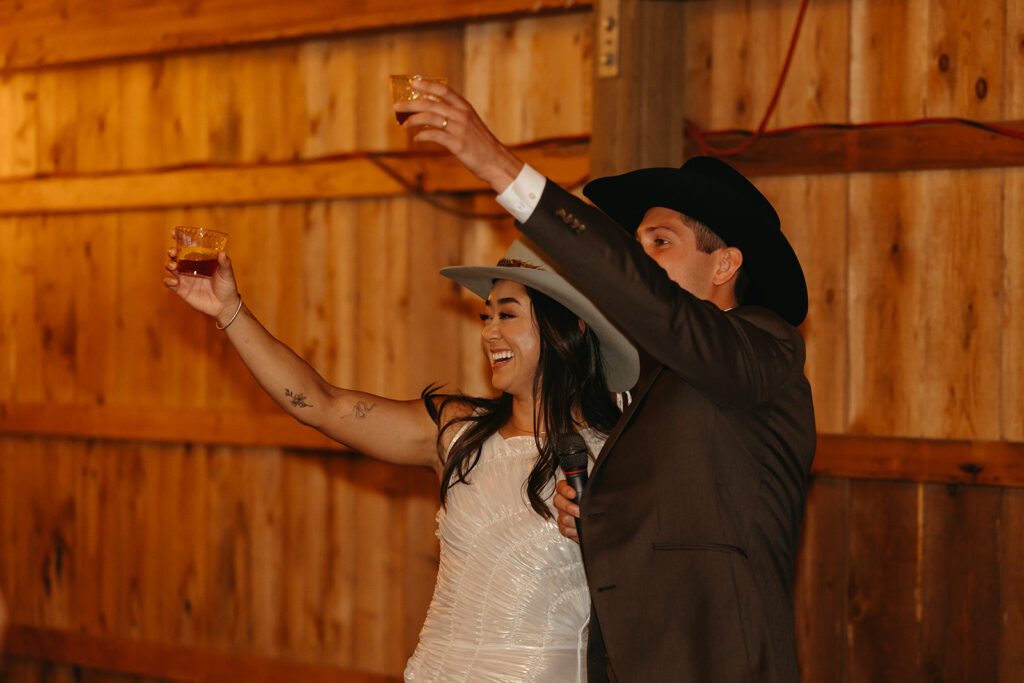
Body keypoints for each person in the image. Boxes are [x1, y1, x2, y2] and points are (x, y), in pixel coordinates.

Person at [396, 82, 816, 682]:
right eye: (635, 245)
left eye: (660, 243)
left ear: (724, 265)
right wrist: (595, 517)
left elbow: (664, 311)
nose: (641, 259)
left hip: (717, 661)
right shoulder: (646, 381)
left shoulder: (763, 346)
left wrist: (500, 167)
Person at [164, 236, 638, 681]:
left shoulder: (618, 452)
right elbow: (322, 404)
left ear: (569, 327)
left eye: (507, 315)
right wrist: (229, 311)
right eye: (485, 317)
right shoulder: (457, 433)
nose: (489, 332)